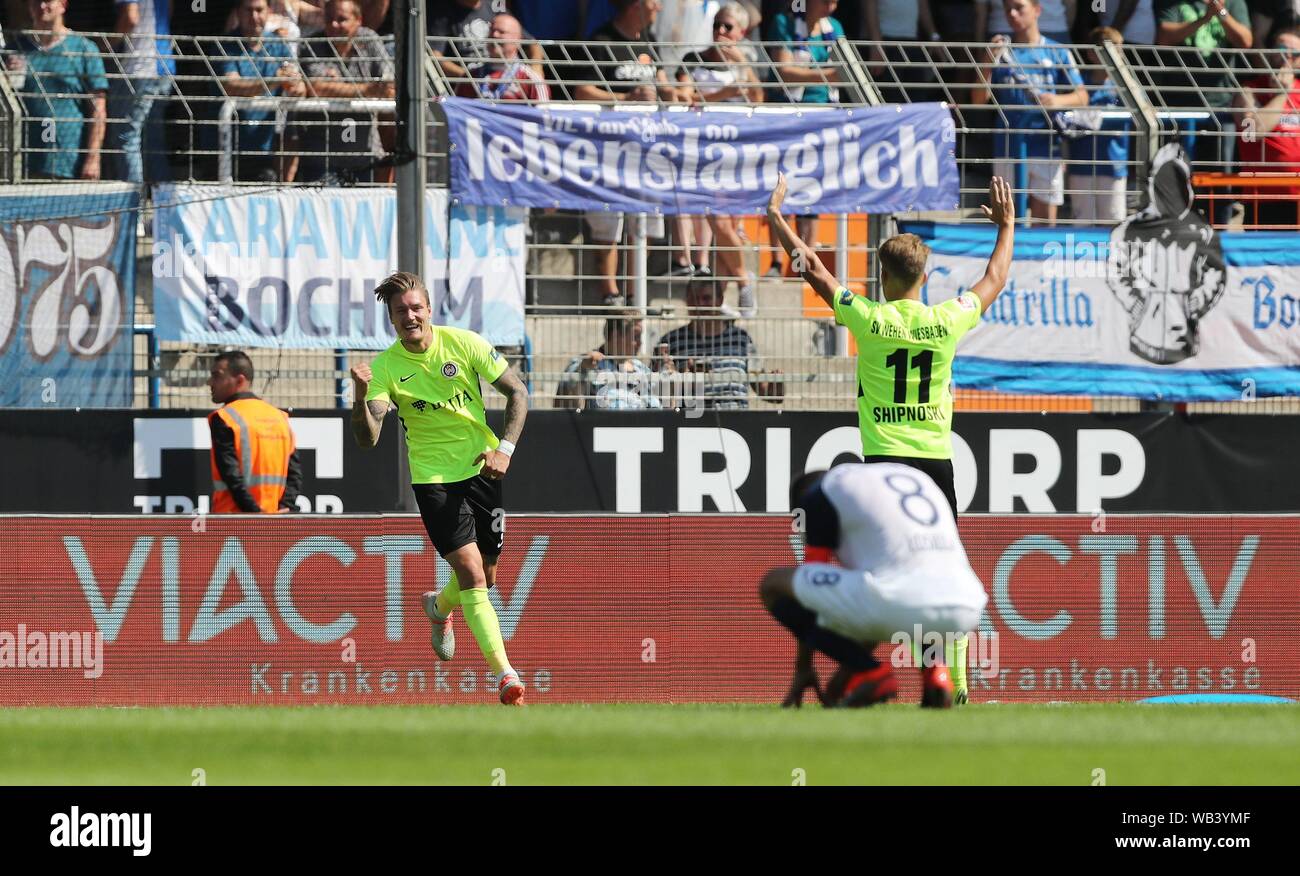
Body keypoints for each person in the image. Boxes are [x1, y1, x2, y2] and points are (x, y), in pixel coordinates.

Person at [767, 173, 1016, 703]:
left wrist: (779, 222)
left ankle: (861, 664)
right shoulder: (947, 320)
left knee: (875, 564)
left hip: (883, 463)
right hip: (935, 467)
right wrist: (1008, 223)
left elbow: (813, 268)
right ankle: (950, 677)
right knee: (940, 563)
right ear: (924, 275)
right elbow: (994, 278)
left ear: (882, 277)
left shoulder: (870, 319)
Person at [351, 271, 531, 706]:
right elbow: (368, 438)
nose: (410, 316)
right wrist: (359, 397)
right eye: (400, 312)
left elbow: (518, 393)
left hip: (482, 469)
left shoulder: (464, 343)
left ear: (429, 309)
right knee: (471, 574)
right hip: (433, 478)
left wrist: (504, 449)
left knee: (486, 576)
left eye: (416, 307)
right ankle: (506, 677)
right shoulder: (385, 368)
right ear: (391, 319)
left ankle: (438, 607)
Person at [760, 463, 989, 709]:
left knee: (773, 584)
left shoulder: (819, 496)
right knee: (909, 585)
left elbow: (810, 596)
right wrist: (842, 676)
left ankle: (871, 672)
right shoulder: (902, 480)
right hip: (967, 608)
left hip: (901, 602)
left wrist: (804, 667)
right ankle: (936, 674)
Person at [570, 0, 683, 304]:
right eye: (653, 2)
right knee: (608, 223)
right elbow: (582, 90)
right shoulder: (601, 41)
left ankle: (636, 295)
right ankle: (611, 294)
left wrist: (669, 91)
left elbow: (662, 83)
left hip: (646, 151)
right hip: (608, 151)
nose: (658, 8)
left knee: (641, 225)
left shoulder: (649, 42)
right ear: (635, 4)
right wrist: (625, 96)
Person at [675, 2, 762, 313]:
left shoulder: (744, 63)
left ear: (741, 32)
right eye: (717, 26)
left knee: (725, 225)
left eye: (728, 27)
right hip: (702, 153)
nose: (720, 32)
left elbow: (758, 98)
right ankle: (743, 283)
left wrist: (741, 67)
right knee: (718, 219)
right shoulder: (694, 59)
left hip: (736, 156)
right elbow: (684, 96)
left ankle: (728, 294)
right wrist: (724, 94)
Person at [973, 0, 1087, 226]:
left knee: (1044, 224)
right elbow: (978, 101)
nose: (1012, 14)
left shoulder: (1057, 51)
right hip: (1007, 145)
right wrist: (987, 61)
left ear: (1037, 10)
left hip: (1045, 145)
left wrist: (1057, 100)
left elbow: (1083, 96)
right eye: (1007, 10)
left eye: (1019, 7)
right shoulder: (1000, 52)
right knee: (1005, 223)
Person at [765, 0, 845, 277]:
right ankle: (777, 262)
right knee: (784, 188)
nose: (832, 6)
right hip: (789, 116)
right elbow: (784, 71)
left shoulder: (833, 27)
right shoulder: (784, 23)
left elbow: (846, 71)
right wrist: (828, 75)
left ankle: (804, 265)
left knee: (811, 193)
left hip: (823, 118)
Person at [1157, 0, 1252, 222]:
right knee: (1180, 168)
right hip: (1181, 101)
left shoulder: (1234, 3)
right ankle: (1178, 222)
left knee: (1221, 170)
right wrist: (1204, 18)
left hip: (1221, 101)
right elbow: (1164, 37)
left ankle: (1220, 226)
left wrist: (1220, 13)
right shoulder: (1175, 3)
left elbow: (1245, 40)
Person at [286, 0, 394, 184]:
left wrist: (339, 89)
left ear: (358, 20)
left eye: (342, 19)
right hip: (322, 159)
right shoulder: (313, 44)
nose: (334, 25)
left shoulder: (369, 39)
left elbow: (389, 87)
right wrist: (367, 89)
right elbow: (316, 87)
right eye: (329, 19)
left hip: (364, 157)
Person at [10, 0, 107, 181]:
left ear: (62, 5)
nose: (41, 7)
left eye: (47, 1)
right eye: (35, 2)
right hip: (21, 159)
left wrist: (93, 158)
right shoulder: (16, 49)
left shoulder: (84, 49)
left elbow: (98, 108)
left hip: (67, 160)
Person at [656, 277, 783, 410]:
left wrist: (778, 384)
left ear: (720, 300)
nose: (699, 304)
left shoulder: (741, 339)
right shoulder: (670, 341)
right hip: (690, 421)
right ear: (687, 301)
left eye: (706, 298)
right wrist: (683, 378)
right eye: (694, 298)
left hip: (736, 420)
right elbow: (655, 393)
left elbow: (766, 391)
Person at [216, 0, 306, 183]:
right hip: (224, 148)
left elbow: (299, 86)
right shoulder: (225, 45)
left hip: (264, 150)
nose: (254, 17)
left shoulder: (278, 45)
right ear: (238, 13)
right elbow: (232, 86)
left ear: (269, 12)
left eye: (259, 10)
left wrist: (295, 86)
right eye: (248, 10)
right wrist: (274, 80)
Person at [207, 350, 303, 514]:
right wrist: (284, 509)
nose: (209, 382)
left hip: (232, 521)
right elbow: (294, 474)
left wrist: (255, 515)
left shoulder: (224, 417)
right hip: (275, 521)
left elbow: (231, 475)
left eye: (217, 375)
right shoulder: (279, 417)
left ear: (240, 380)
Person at [1235, 26, 1300, 226]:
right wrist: (1282, 94)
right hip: (1263, 197)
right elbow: (1251, 131)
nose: (1286, 57)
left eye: (1294, 53)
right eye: (1281, 50)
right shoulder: (1249, 90)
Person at [1067, 27, 1131, 223]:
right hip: (1081, 164)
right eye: (1109, 49)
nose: (1115, 55)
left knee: (1113, 224)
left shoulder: (1126, 85)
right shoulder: (1078, 84)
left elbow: (1145, 111)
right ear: (1091, 53)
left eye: (1119, 49)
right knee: (1082, 223)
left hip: (1113, 166)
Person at [108, 0, 174, 185]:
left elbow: (131, 16)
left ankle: (132, 203)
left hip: (138, 69)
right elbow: (168, 10)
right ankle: (164, 202)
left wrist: (106, 45)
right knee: (153, 141)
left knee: (126, 137)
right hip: (164, 69)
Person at [554, 309, 663, 410]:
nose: (640, 343)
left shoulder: (641, 368)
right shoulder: (584, 363)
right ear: (615, 335)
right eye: (636, 337)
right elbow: (563, 406)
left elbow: (659, 407)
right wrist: (582, 371)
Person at [430, 0, 544, 82]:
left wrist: (536, 68)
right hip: (471, 81)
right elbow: (436, 56)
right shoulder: (443, 11)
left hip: (509, 76)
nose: (494, 34)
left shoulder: (494, 5)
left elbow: (532, 43)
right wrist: (468, 78)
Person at [452, 13, 550, 102]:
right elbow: (457, 112)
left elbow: (544, 116)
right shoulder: (470, 77)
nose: (494, 35)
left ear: (518, 40)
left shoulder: (530, 79)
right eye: (492, 30)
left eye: (502, 32)